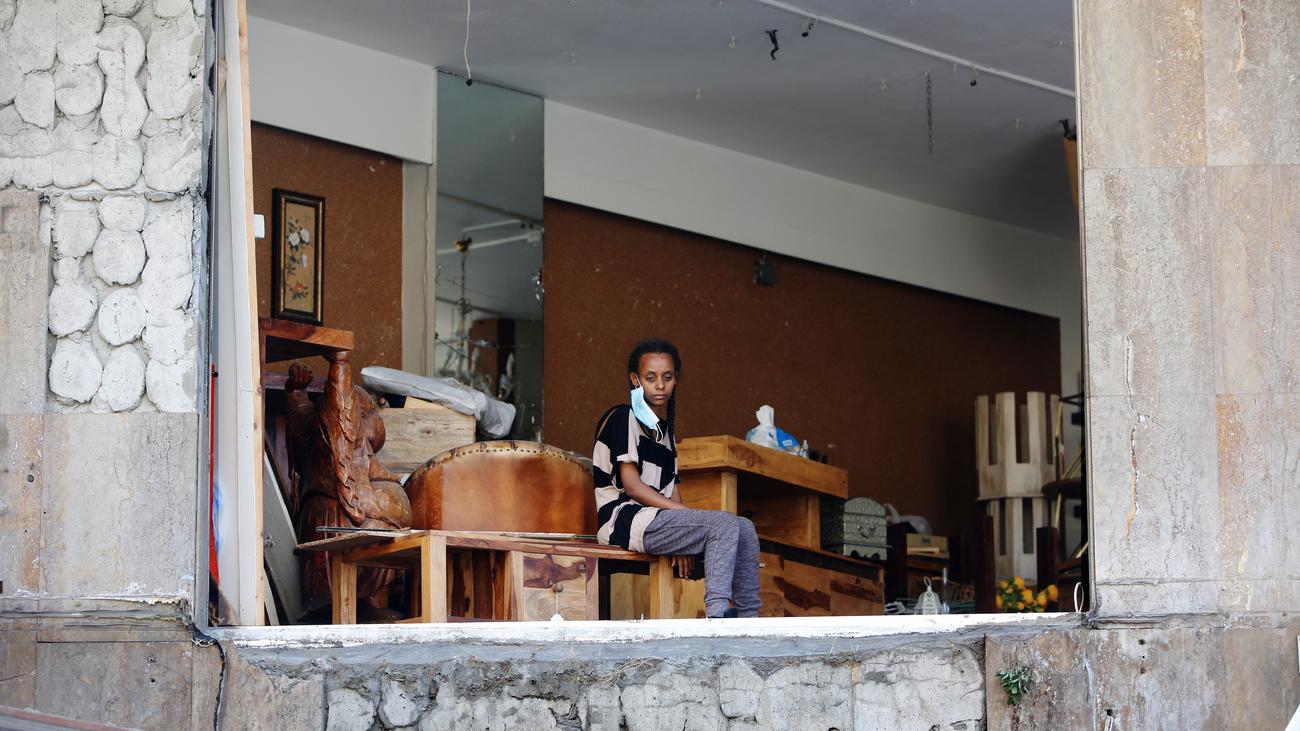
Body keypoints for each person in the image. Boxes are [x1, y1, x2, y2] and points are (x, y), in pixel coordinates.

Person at [591, 339, 761, 618]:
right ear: (635, 379)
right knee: (724, 525)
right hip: (622, 520)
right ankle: (718, 616)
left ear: (675, 380)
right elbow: (632, 487)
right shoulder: (623, 417)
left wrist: (684, 533)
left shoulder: (665, 434)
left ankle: (749, 618)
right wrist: (685, 519)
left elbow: (671, 491)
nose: (660, 385)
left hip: (655, 520)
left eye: (667, 378)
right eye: (650, 378)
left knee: (745, 527)